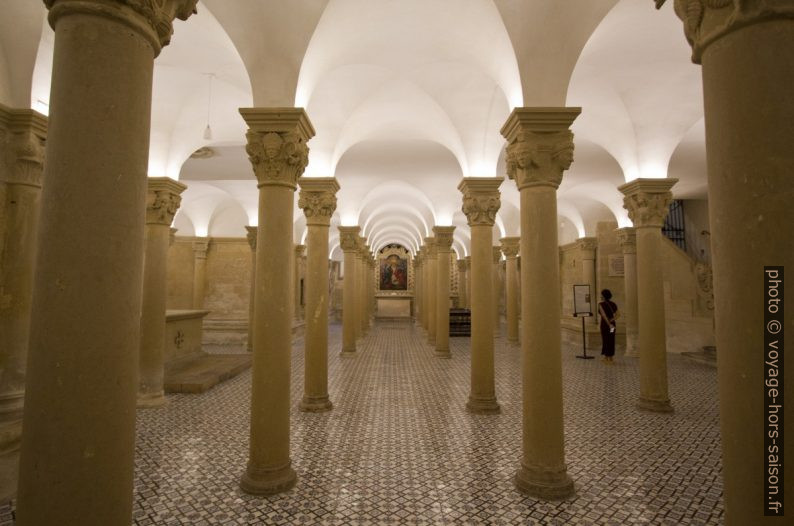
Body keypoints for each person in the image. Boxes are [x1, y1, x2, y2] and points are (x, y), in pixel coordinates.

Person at [598, 289, 619, 363]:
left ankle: (606, 358)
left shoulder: (601, 304)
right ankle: (611, 358)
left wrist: (609, 324)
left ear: (604, 296)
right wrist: (611, 321)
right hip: (613, 326)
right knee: (611, 339)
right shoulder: (613, 304)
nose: (601, 296)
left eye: (601, 295)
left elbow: (604, 315)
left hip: (605, 326)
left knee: (606, 339)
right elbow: (618, 315)